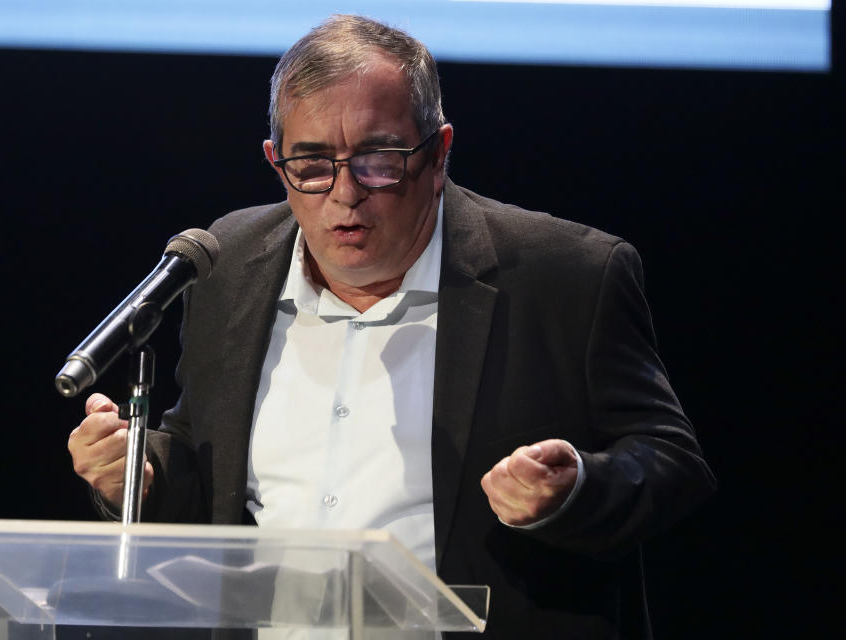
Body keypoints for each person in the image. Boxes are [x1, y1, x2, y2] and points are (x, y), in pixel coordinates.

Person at [68, 14, 715, 639]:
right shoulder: (226, 261)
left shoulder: (567, 276)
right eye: (313, 163)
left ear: (440, 154)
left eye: (378, 158)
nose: (345, 192)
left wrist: (574, 486)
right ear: (275, 161)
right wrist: (141, 475)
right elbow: (206, 460)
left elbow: (670, 463)